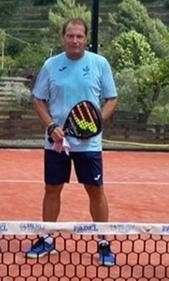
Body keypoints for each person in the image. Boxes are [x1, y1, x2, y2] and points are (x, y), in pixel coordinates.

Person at [25, 18, 118, 266]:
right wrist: (51, 126)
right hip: (57, 142)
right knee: (52, 189)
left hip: (89, 145)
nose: (75, 40)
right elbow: (38, 99)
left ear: (86, 38)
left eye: (79, 36)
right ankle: (46, 238)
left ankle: (103, 242)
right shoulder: (51, 65)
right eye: (70, 36)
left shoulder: (99, 64)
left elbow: (112, 98)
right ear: (62, 37)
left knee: (95, 191)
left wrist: (96, 122)